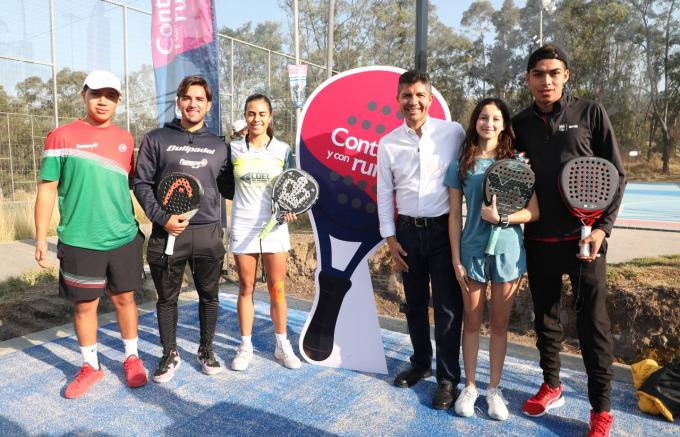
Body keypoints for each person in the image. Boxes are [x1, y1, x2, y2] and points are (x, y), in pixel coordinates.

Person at [512, 44, 625, 437]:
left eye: (553, 73)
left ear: (566, 76)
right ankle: (552, 385)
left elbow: (616, 175)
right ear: (528, 79)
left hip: (585, 243)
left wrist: (601, 229)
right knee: (545, 320)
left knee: (593, 325)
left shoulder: (590, 113)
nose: (546, 81)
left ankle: (601, 409)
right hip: (539, 241)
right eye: (538, 74)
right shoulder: (519, 124)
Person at [34, 70, 147, 398]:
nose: (102, 101)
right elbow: (47, 189)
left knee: (125, 299)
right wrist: (40, 238)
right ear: (84, 94)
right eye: (96, 93)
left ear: (118, 101)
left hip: (124, 237)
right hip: (79, 240)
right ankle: (90, 366)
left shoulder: (126, 139)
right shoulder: (60, 137)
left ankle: (132, 358)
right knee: (85, 306)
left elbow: (135, 184)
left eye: (110, 96)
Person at [444, 98, 539, 420]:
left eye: (496, 118)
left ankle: (494, 389)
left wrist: (502, 219)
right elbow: (454, 215)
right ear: (475, 122)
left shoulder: (517, 162)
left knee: (499, 326)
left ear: (504, 124)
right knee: (471, 323)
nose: (489, 123)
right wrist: (456, 258)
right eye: (483, 117)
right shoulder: (461, 164)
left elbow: (533, 212)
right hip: (471, 253)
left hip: (508, 254)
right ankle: (470, 387)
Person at [376, 70, 465, 410]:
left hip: (443, 231)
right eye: (406, 95)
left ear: (430, 98)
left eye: (419, 95)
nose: (413, 101)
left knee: (446, 308)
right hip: (407, 234)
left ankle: (447, 378)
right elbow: (384, 192)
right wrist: (390, 237)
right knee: (414, 304)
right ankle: (420, 363)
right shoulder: (388, 143)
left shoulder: (452, 133)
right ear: (398, 100)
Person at [133, 75, 228, 383]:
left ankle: (206, 349)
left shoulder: (220, 145)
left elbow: (231, 186)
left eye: (200, 99)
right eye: (187, 97)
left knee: (209, 296)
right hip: (168, 233)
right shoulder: (156, 138)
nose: (193, 103)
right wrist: (162, 217)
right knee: (167, 299)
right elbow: (141, 183)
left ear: (209, 105)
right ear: (179, 101)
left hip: (208, 232)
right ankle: (169, 353)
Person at [217, 93, 301, 371]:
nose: (256, 119)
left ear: (270, 117)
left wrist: (290, 209)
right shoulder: (232, 149)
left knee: (277, 288)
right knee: (246, 288)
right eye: (251, 113)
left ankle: (281, 345)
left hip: (275, 227)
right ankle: (245, 347)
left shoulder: (283, 149)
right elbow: (224, 184)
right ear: (245, 116)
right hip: (243, 225)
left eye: (262, 114)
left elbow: (292, 186)